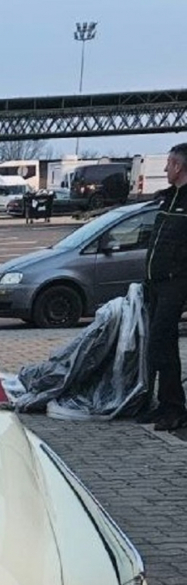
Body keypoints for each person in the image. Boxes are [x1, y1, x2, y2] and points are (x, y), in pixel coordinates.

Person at [138, 143, 187, 431]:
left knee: (161, 342)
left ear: (178, 166)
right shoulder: (168, 199)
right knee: (160, 345)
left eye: (169, 163)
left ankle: (175, 408)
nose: (166, 168)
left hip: (175, 283)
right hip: (155, 283)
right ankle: (164, 404)